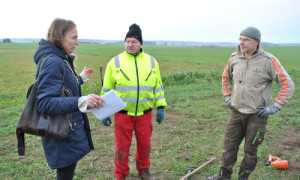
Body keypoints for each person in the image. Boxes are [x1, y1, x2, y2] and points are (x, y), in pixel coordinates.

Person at [207, 27, 295, 180]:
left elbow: (287, 83)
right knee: (228, 147)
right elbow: (225, 78)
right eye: (240, 39)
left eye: (246, 40)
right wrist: (228, 98)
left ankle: (243, 177)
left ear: (257, 42)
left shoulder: (268, 61)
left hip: (257, 115)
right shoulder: (234, 58)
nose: (242, 42)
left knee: (250, 150)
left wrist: (276, 106)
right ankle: (223, 176)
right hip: (236, 112)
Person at [34, 18, 105, 180]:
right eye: (74, 37)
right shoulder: (53, 61)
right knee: (65, 175)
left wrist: (79, 79)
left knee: (67, 173)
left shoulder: (60, 58)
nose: (78, 42)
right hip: (62, 133)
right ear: (60, 37)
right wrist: (81, 101)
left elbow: (61, 87)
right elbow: (44, 102)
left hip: (66, 132)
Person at [100, 23, 167, 180]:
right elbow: (106, 89)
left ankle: (143, 170)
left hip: (145, 113)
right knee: (122, 147)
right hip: (123, 114)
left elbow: (158, 86)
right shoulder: (115, 62)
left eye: (134, 42)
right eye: (128, 41)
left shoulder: (151, 62)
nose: (130, 45)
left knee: (145, 145)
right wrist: (104, 111)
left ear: (140, 44)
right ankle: (121, 174)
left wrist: (161, 107)